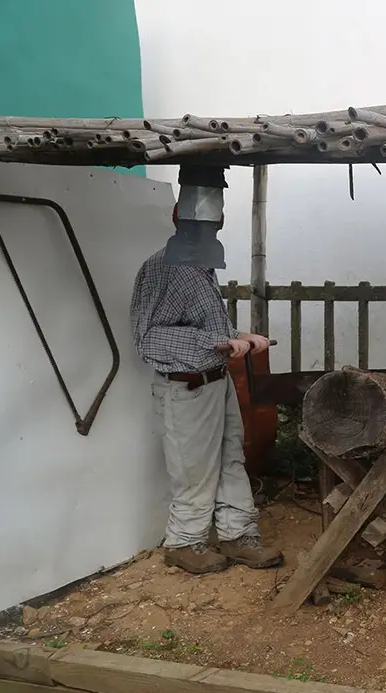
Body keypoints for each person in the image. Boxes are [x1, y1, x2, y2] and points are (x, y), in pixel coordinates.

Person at [130, 164, 284, 574]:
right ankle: (185, 542)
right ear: (177, 215)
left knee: (232, 458)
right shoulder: (166, 266)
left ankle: (237, 534)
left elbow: (203, 326)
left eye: (214, 215)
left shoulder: (199, 264)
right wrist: (214, 345)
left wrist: (240, 336)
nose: (211, 222)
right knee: (195, 471)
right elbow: (149, 338)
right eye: (201, 214)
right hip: (187, 389)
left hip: (217, 382)